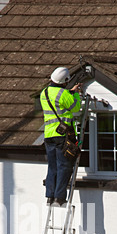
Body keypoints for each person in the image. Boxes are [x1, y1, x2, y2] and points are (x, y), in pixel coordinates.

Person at [40, 67, 81, 206]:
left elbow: (58, 100)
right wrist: (75, 94)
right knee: (64, 166)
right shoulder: (63, 94)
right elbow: (75, 107)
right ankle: (59, 198)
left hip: (49, 135)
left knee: (53, 167)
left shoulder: (44, 93)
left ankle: (50, 197)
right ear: (64, 81)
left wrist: (69, 92)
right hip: (62, 135)